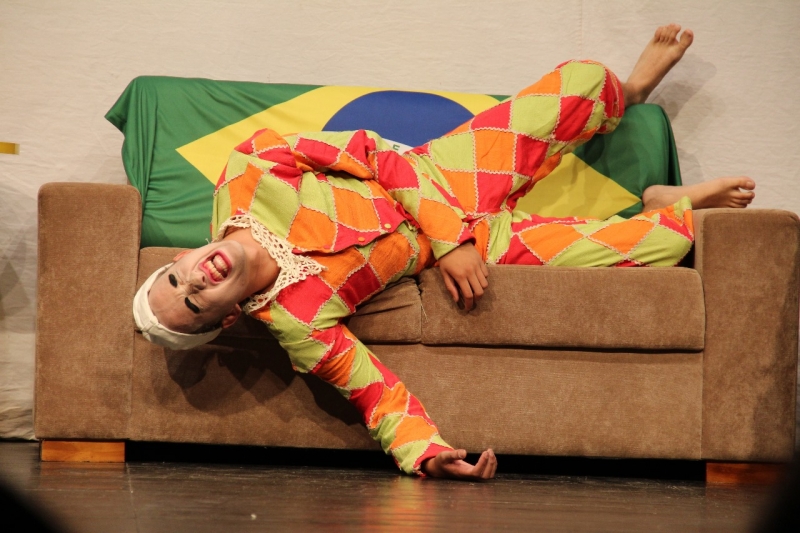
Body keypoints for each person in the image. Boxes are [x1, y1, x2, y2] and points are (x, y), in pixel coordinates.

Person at [133, 24, 755, 480]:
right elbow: (374, 392)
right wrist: (427, 455)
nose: (195, 281)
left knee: (585, 79)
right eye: (196, 303)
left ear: (180, 258)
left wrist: (448, 236)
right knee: (669, 243)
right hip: (480, 246)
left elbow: (373, 152)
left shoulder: (247, 172)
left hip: (446, 178)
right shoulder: (297, 322)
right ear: (227, 318)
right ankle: (658, 204)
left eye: (175, 278)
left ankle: (633, 92)